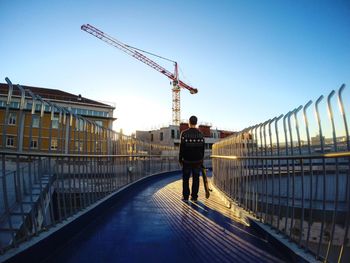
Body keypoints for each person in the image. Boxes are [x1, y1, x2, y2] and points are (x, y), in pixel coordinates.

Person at [179, 115, 205, 202]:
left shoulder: (184, 133)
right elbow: (202, 148)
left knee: (186, 178)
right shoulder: (201, 134)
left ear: (189, 122)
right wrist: (201, 159)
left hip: (186, 160)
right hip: (197, 160)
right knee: (196, 178)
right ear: (196, 123)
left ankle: (185, 197)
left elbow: (181, 148)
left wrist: (180, 159)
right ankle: (194, 197)